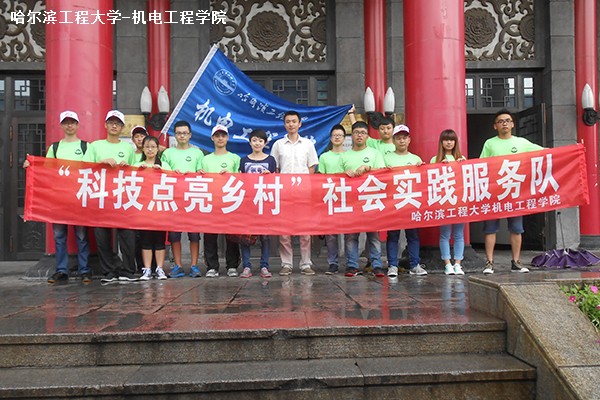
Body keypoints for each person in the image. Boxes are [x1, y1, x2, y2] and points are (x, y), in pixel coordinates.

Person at [24, 110, 91, 284]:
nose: (69, 126)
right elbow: (46, 171)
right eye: (66, 122)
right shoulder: (55, 148)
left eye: (72, 122)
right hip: (59, 199)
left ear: (77, 125)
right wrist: (32, 166)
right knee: (59, 236)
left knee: (82, 236)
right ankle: (61, 270)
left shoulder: (86, 146)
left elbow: (93, 169)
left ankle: (84, 270)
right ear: (62, 126)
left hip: (79, 197)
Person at [480, 109, 543, 274]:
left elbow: (546, 153)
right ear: (495, 126)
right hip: (494, 192)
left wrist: (571, 151)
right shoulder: (489, 144)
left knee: (516, 228)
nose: (504, 124)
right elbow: (480, 165)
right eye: (501, 121)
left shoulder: (522, 143)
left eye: (507, 120)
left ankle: (516, 262)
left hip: (515, 192)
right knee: (490, 228)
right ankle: (489, 263)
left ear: (513, 124)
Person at [83, 110, 137, 283]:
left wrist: (128, 166)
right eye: (111, 123)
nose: (114, 126)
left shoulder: (128, 148)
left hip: (122, 196)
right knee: (102, 235)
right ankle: (108, 271)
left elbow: (137, 173)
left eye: (118, 124)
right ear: (105, 125)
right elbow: (84, 168)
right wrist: (101, 163)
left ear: (122, 127)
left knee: (127, 234)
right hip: (101, 196)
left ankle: (128, 270)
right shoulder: (95, 146)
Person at [270, 110, 319, 276]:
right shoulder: (278, 145)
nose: (291, 124)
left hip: (303, 192)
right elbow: (275, 168)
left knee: (305, 230)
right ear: (284, 124)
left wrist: (303, 185)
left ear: (300, 124)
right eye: (288, 122)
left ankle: (306, 263)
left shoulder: (308, 144)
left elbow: (311, 167)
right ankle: (286, 264)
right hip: (284, 192)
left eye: (294, 121)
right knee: (285, 231)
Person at [340, 121, 385, 277]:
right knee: (351, 236)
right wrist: (345, 173)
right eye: (356, 132)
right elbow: (335, 178)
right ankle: (352, 265)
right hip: (351, 201)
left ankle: (376, 265)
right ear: (351, 135)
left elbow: (382, 173)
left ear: (367, 136)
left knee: (373, 235)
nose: (359, 135)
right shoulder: (344, 155)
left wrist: (368, 168)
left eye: (363, 133)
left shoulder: (375, 153)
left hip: (371, 199)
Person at [160, 120, 204, 278]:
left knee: (194, 234)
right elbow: (163, 173)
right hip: (174, 198)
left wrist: (197, 173)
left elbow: (201, 172)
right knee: (174, 235)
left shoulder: (198, 153)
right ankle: (178, 265)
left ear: (190, 135)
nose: (182, 136)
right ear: (174, 135)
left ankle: (194, 265)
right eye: (179, 133)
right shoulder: (167, 153)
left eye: (185, 133)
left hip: (192, 198)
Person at [384, 124, 428, 277]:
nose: (401, 141)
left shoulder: (415, 159)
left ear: (409, 140)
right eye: (398, 138)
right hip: (393, 203)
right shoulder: (386, 158)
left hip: (411, 202)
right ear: (394, 140)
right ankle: (392, 265)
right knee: (393, 235)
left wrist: (422, 168)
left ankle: (414, 265)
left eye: (404, 138)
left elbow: (423, 180)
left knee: (413, 235)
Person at [200, 125, 241, 278]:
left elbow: (242, 179)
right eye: (217, 136)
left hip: (230, 201)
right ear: (212, 138)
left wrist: (231, 175)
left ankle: (232, 265)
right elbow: (198, 177)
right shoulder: (205, 159)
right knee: (210, 236)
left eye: (223, 136)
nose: (220, 138)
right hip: (211, 201)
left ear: (227, 138)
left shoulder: (235, 158)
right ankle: (212, 266)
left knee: (231, 236)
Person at [238, 129, 277, 278]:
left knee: (265, 236)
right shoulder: (243, 160)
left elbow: (276, 181)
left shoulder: (270, 160)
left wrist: (270, 176)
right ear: (250, 142)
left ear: (265, 143)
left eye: (260, 140)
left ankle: (264, 266)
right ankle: (246, 266)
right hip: (248, 203)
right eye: (254, 140)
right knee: (245, 236)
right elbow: (240, 181)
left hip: (265, 203)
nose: (257, 143)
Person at [430, 129, 466, 276]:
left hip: (459, 201)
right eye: (446, 140)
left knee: (459, 234)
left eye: (452, 140)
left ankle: (458, 263)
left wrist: (462, 166)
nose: (449, 142)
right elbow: (431, 180)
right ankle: (447, 264)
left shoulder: (461, 158)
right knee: (445, 234)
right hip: (444, 202)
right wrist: (439, 166)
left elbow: (466, 179)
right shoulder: (435, 159)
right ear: (441, 142)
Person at [134, 135, 170, 280]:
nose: (150, 150)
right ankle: (147, 269)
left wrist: (162, 171)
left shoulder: (164, 165)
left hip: (160, 208)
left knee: (160, 240)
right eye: (147, 147)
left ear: (157, 149)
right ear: (143, 149)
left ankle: (159, 268)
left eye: (153, 147)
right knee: (146, 240)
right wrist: (138, 171)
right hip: (143, 209)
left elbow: (173, 182)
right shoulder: (137, 164)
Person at [317, 124, 347, 274]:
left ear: (344, 138)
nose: (337, 137)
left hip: (347, 198)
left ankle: (351, 262)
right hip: (330, 198)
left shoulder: (349, 155)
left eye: (340, 135)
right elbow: (320, 178)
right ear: (330, 138)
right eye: (334, 135)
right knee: (331, 235)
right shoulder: (324, 157)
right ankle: (333, 263)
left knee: (350, 233)